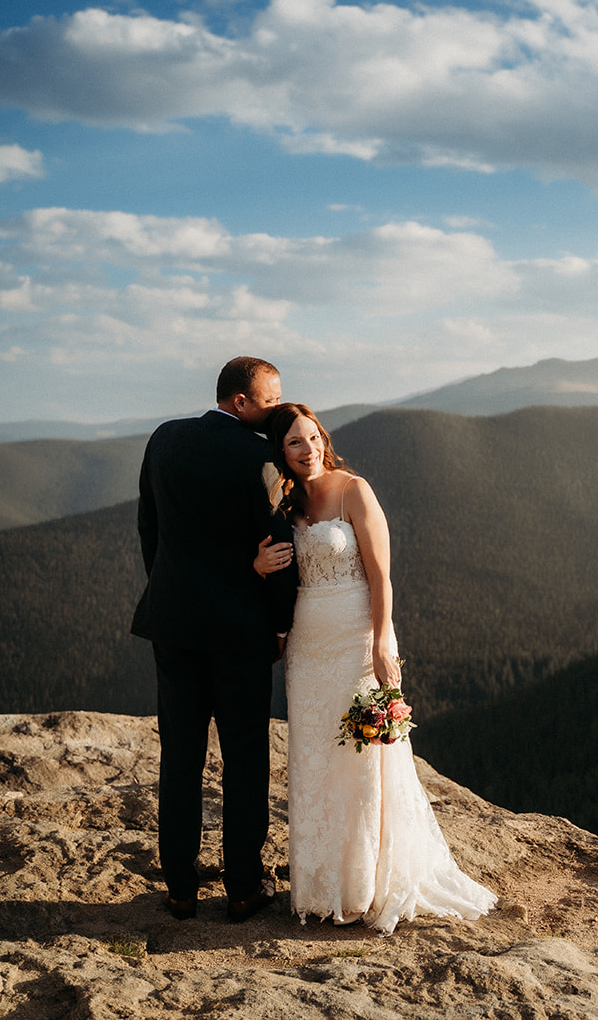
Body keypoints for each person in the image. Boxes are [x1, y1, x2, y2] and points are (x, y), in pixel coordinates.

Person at [255, 402, 495, 934]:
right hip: (306, 643)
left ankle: (364, 885)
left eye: (313, 437)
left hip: (356, 635)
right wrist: (255, 564)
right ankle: (320, 885)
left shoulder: (354, 489)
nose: (308, 449)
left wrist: (384, 639)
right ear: (280, 451)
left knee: (361, 760)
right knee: (314, 758)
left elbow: (381, 574)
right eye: (294, 442)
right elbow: (265, 564)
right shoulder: (283, 502)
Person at [131, 356, 297, 923]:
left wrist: (172, 588)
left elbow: (149, 527)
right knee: (244, 759)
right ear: (242, 402)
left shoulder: (164, 439)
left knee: (179, 755)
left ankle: (179, 888)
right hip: (240, 630)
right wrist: (279, 624)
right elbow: (276, 550)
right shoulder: (262, 457)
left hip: (172, 623)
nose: (277, 408)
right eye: (272, 399)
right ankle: (243, 888)